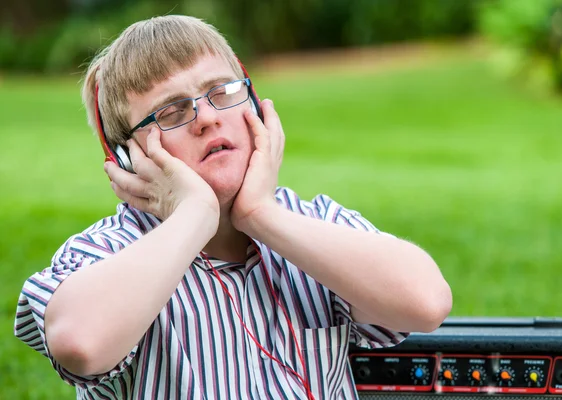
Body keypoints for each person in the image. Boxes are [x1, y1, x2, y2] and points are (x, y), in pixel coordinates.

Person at [14, 15, 452, 400]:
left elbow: (425, 302)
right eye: (171, 112)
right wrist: (195, 215)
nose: (207, 117)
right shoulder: (105, 254)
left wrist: (260, 214)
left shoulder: (311, 224)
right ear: (128, 158)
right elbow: (80, 343)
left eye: (222, 91)